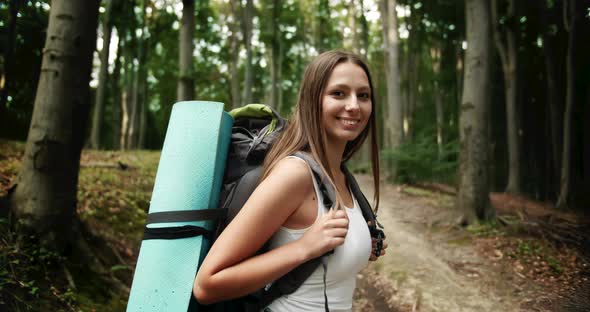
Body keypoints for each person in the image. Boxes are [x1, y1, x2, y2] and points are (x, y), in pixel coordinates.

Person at [193, 50, 388, 311]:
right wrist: (304, 248)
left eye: (363, 95)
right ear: (312, 100)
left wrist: (363, 245)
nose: (354, 105)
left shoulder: (340, 175)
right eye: (338, 93)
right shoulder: (295, 174)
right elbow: (207, 284)